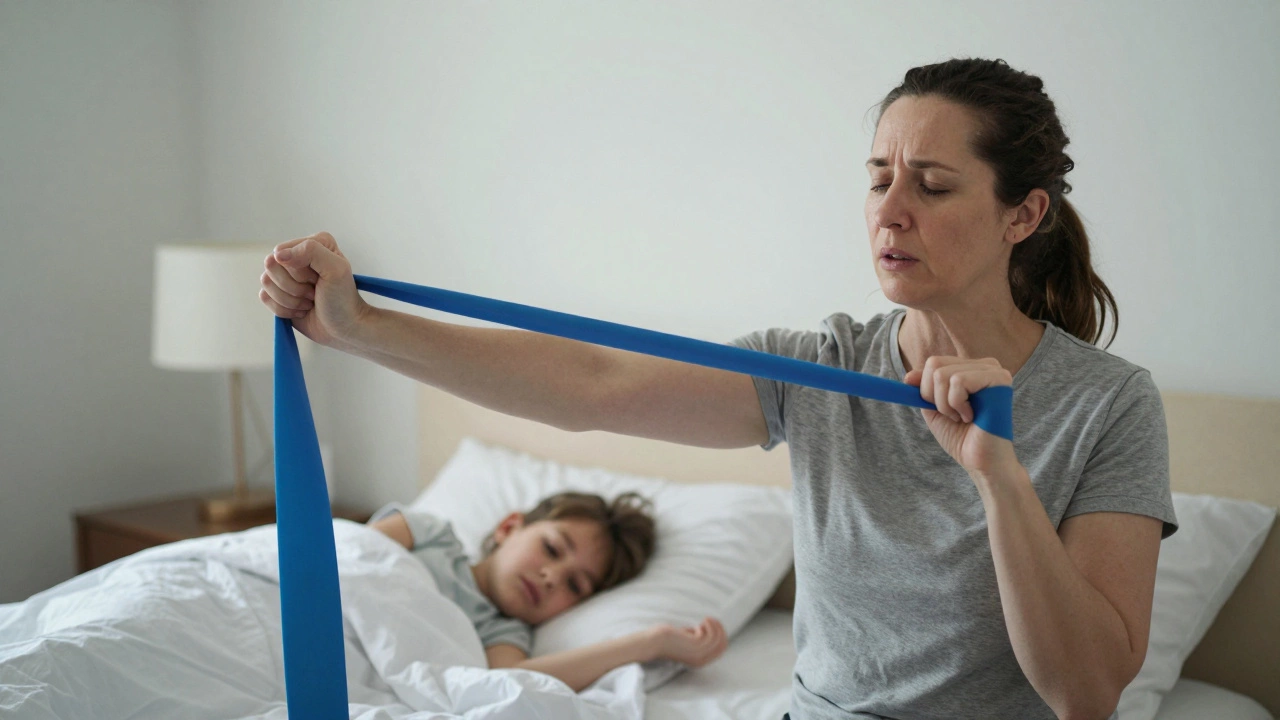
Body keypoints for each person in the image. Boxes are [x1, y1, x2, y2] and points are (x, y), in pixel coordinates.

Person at [260, 57, 1176, 719]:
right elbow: (597, 382)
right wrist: (361, 329)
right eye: (878, 177)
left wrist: (999, 477)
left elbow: (1086, 692)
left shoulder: (1110, 404)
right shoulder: (816, 368)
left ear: (1025, 213)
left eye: (932, 185)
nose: (890, 209)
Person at [366, 489, 728, 693]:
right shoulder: (428, 534)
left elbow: (510, 682)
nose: (551, 577)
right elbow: (344, 556)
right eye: (552, 549)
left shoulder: (503, 633)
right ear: (509, 527)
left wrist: (653, 641)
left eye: (575, 584)